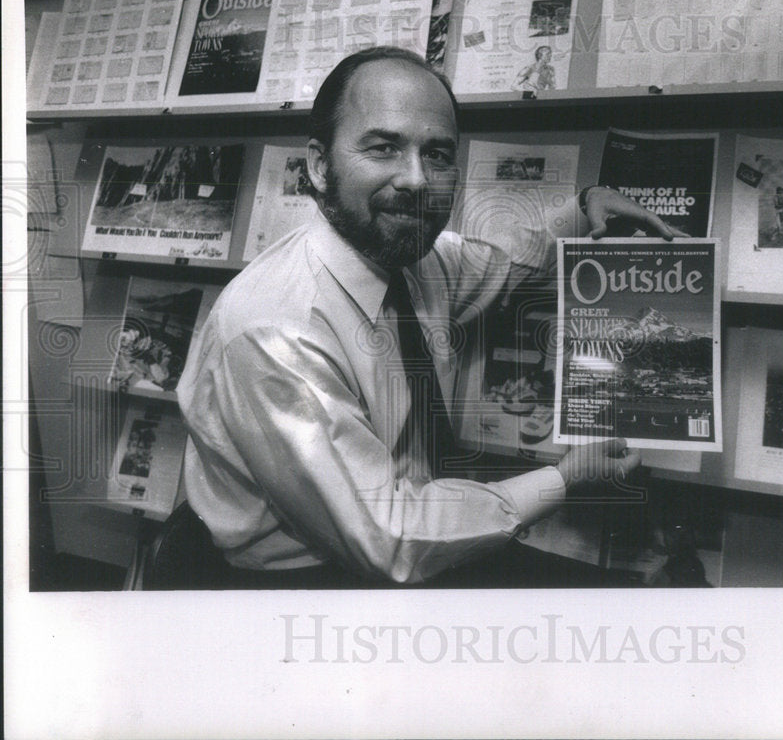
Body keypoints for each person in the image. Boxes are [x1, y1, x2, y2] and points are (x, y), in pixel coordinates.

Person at [177, 46, 678, 587]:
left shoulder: (412, 257)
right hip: (297, 586)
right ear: (319, 166)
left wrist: (586, 202)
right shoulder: (276, 330)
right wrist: (564, 479)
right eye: (384, 147)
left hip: (403, 540)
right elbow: (388, 537)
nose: (416, 179)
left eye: (437, 155)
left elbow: (507, 256)